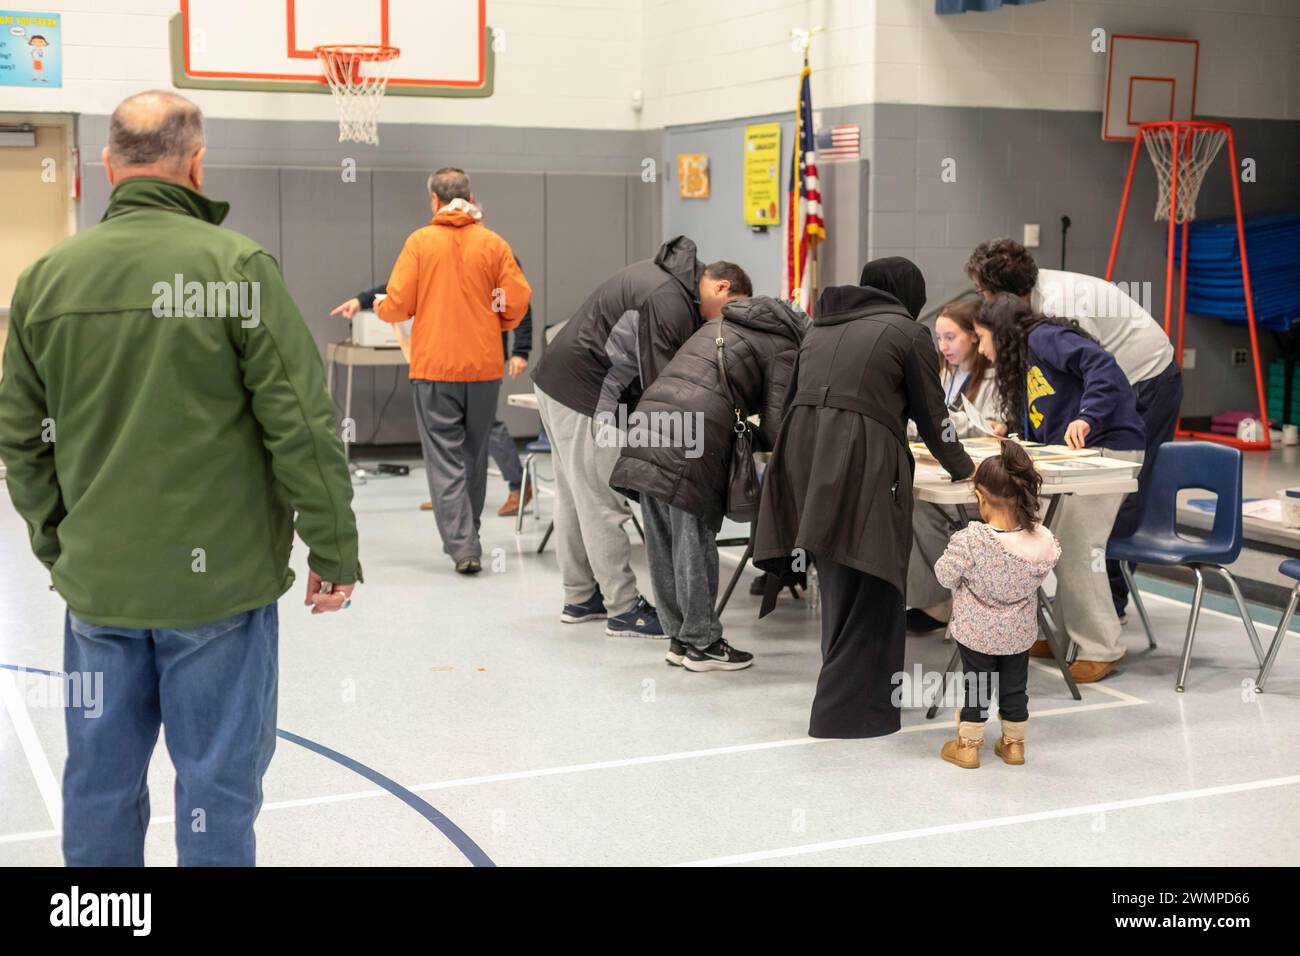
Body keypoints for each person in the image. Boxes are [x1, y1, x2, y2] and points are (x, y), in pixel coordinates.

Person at [0, 90, 361, 866]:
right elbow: (301, 423)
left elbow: (20, 440)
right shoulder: (236, 269)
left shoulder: (44, 281)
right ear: (197, 165)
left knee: (98, 781)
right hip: (219, 589)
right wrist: (333, 548)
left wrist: (61, 545)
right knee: (217, 789)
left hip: (100, 585)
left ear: (107, 165)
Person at [753, 257, 975, 738]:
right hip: (859, 457)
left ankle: (852, 699)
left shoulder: (819, 326)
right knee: (872, 575)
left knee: (839, 574)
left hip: (803, 454)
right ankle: (851, 712)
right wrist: (965, 468)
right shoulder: (907, 331)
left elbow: (790, 400)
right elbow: (932, 413)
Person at [965, 239, 1182, 617]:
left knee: (1110, 503)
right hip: (1114, 381)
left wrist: (1086, 417)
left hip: (1148, 377)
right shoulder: (1027, 311)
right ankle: (1076, 616)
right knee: (1070, 520)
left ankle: (1108, 606)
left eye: (983, 292)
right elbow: (1045, 389)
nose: (981, 300)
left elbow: (1099, 370)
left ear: (1005, 295)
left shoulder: (1056, 311)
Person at [531, 238, 730, 638]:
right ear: (721, 287)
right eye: (728, 311)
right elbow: (662, 383)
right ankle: (623, 609)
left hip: (555, 384)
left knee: (575, 496)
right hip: (588, 396)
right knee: (602, 503)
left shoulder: (661, 276)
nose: (719, 324)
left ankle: (580, 595)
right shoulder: (670, 298)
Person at [609, 275, 804, 671]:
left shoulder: (722, 322)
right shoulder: (786, 345)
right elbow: (776, 429)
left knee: (662, 540)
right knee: (693, 540)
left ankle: (679, 639)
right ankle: (704, 643)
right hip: (692, 440)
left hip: (648, 424)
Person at [973, 294, 1145, 682]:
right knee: (1063, 544)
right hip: (1083, 453)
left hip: (1109, 447)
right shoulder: (1025, 358)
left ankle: (1100, 646)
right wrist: (1009, 429)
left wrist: (1088, 416)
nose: (982, 351)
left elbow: (1102, 365)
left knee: (1082, 546)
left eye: (983, 338)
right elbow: (1045, 407)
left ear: (1001, 333)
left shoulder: (1044, 337)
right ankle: (1068, 638)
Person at [375, 167, 531, 574]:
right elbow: (515, 303)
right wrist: (492, 317)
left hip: (435, 369)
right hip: (482, 369)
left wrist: (380, 308)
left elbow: (398, 303)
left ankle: (464, 546)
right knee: (473, 455)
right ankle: (470, 534)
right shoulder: (493, 244)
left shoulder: (420, 243)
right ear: (470, 195)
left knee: (444, 458)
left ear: (434, 200)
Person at [331, 254, 535, 517]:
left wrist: (521, 349)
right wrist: (362, 300)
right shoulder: (438, 250)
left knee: (486, 426)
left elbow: (520, 303)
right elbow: (402, 287)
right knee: (447, 427)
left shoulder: (493, 252)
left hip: (482, 357)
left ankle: (519, 485)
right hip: (445, 357)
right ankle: (450, 495)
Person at [934, 441, 1060, 769]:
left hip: (977, 632)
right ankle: (1014, 744)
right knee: (1015, 687)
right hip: (1019, 633)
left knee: (977, 685)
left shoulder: (971, 541)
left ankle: (968, 746)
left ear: (980, 497)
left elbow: (944, 576)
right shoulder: (1042, 540)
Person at [906, 297, 1004, 633]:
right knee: (913, 504)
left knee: (923, 511)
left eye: (951, 337)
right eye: (939, 338)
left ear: (975, 337)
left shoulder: (994, 375)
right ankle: (930, 598)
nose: (943, 346)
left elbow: (994, 428)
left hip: (985, 479)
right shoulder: (944, 372)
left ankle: (941, 601)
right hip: (954, 471)